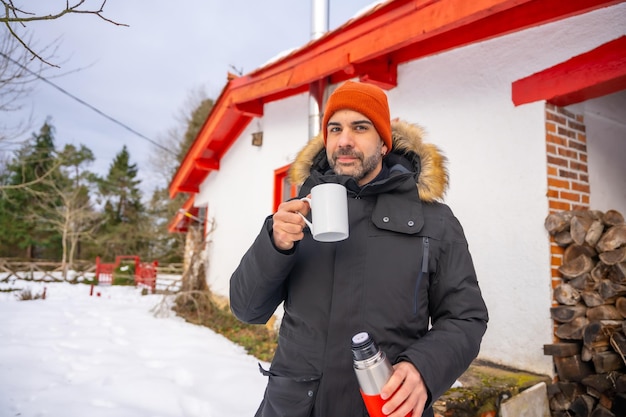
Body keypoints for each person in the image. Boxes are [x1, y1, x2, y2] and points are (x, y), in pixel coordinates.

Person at [230, 80, 488, 417]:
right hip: (292, 407)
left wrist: (424, 369)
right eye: (335, 128)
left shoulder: (434, 221)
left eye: (360, 127)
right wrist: (274, 244)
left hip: (385, 405)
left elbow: (465, 317)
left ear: (383, 144)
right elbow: (247, 309)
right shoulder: (296, 215)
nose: (345, 140)